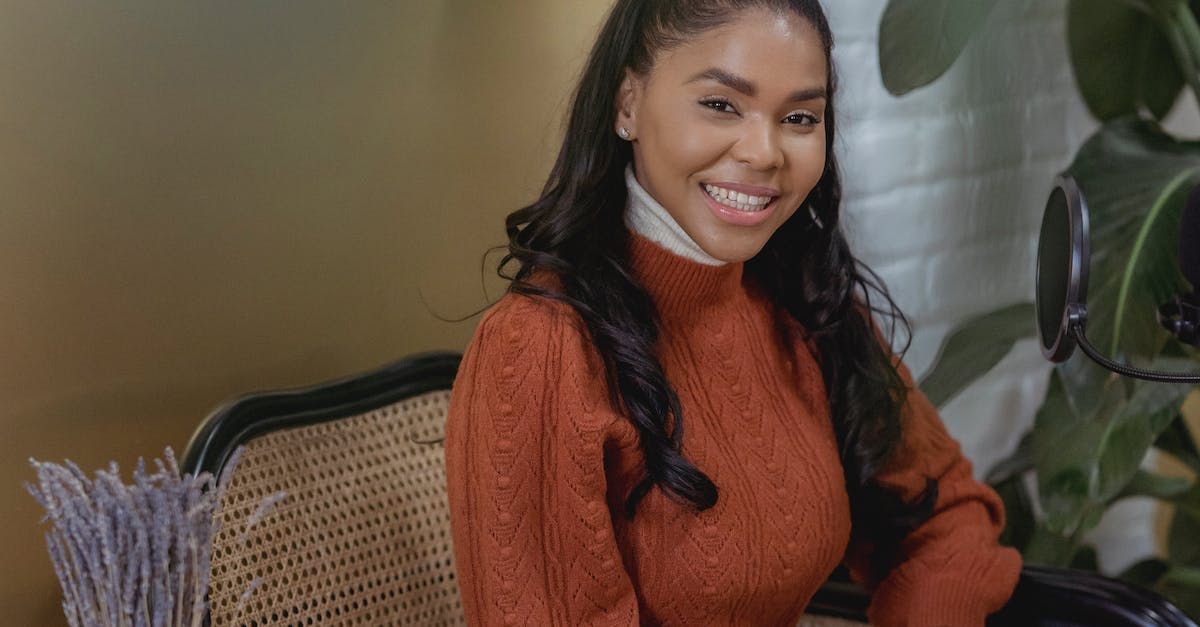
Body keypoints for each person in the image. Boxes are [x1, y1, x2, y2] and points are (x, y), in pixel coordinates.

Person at [444, 0, 1022, 625]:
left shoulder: (804, 306)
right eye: (720, 105)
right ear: (627, 103)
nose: (764, 151)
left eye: (800, 117)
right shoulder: (541, 348)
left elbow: (950, 514)